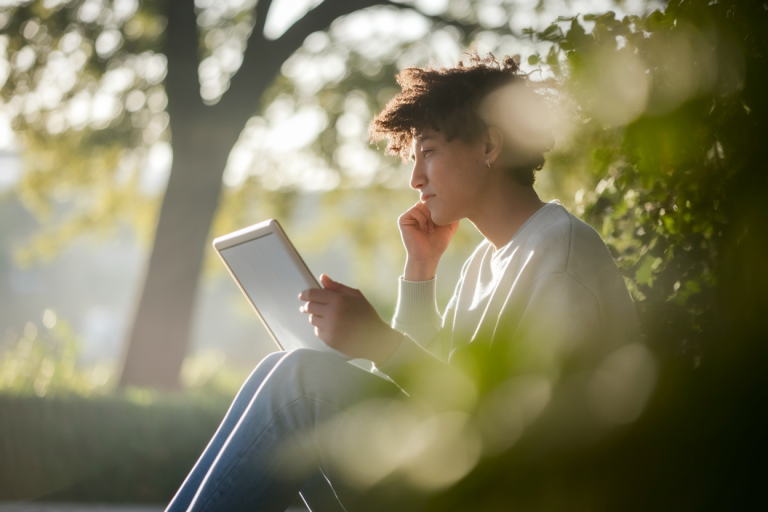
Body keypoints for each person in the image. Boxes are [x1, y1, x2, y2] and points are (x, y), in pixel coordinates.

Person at [166, 53, 644, 512]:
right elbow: (432, 396)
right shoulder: (486, 262)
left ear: (489, 146)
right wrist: (420, 271)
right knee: (281, 369)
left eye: (429, 153)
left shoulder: (557, 255)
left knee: (300, 383)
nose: (415, 178)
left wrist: (381, 343)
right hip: (462, 484)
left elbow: (530, 438)